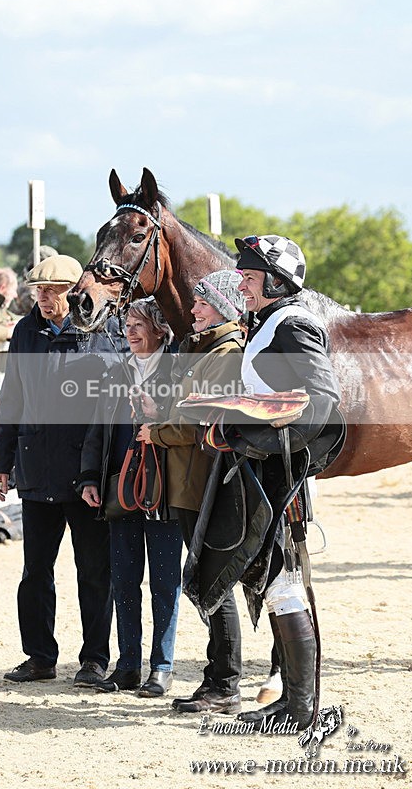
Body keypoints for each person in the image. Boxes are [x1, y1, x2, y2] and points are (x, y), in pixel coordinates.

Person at [0, 254, 125, 686]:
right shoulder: (25, 331)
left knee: (94, 572)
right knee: (35, 572)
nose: (44, 298)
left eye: (53, 291)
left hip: (88, 475)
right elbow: (11, 398)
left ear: (75, 291)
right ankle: (40, 657)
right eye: (38, 291)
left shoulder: (103, 329)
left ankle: (95, 659)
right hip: (36, 467)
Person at [229, 234, 342, 731]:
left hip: (282, 473)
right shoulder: (270, 322)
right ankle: (295, 701)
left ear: (277, 282)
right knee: (278, 583)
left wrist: (262, 440)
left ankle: (302, 707)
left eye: (250, 278)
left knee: (285, 583)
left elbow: (321, 403)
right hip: (269, 469)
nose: (242, 285)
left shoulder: (292, 324)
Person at [137, 271, 246, 714]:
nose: (194, 310)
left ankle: (225, 684)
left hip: (202, 483)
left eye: (202, 303)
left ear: (222, 306)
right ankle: (219, 681)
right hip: (188, 482)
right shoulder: (203, 349)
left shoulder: (226, 354)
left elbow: (200, 421)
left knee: (210, 583)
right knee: (203, 583)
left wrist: (155, 432)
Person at [77, 299, 183, 697]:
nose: (132, 331)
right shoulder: (115, 371)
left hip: (166, 490)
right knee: (123, 580)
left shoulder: (178, 370)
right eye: (128, 324)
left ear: (160, 328)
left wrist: (162, 413)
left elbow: (191, 426)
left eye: (140, 324)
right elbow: (97, 427)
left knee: (164, 581)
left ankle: (162, 666)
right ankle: (127, 666)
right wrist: (89, 476)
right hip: (121, 487)